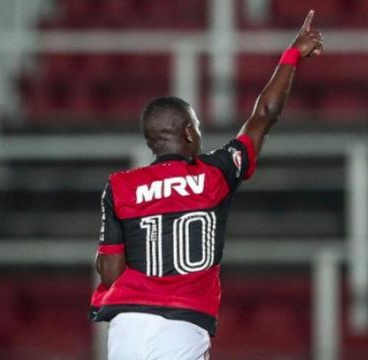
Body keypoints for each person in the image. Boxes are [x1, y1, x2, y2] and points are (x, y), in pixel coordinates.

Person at [89, 10, 324, 360]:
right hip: (183, 322)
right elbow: (263, 116)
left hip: (128, 326)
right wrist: (292, 55)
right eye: (196, 125)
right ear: (187, 132)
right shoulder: (215, 173)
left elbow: (109, 270)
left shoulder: (120, 186)